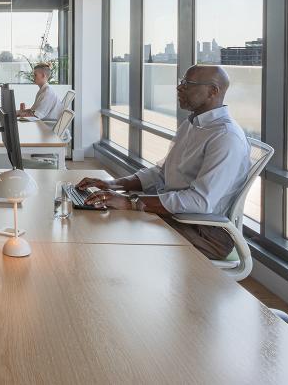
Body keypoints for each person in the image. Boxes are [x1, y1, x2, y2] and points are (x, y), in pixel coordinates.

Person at [77, 65, 251, 260]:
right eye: (181, 82)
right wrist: (113, 184)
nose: (179, 88)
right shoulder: (192, 124)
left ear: (213, 91)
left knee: (114, 233)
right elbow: (162, 172)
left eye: (187, 84)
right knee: (100, 217)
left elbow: (200, 202)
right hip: (177, 216)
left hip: (204, 231)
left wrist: (130, 201)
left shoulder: (225, 137)